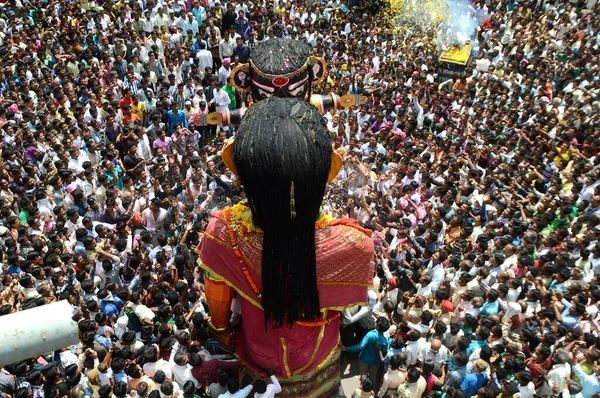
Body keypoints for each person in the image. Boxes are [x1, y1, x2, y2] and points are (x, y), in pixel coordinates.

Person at [198, 98, 373, 397]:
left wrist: (222, 334)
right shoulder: (352, 244)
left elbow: (219, 314)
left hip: (259, 353)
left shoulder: (223, 232)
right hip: (317, 357)